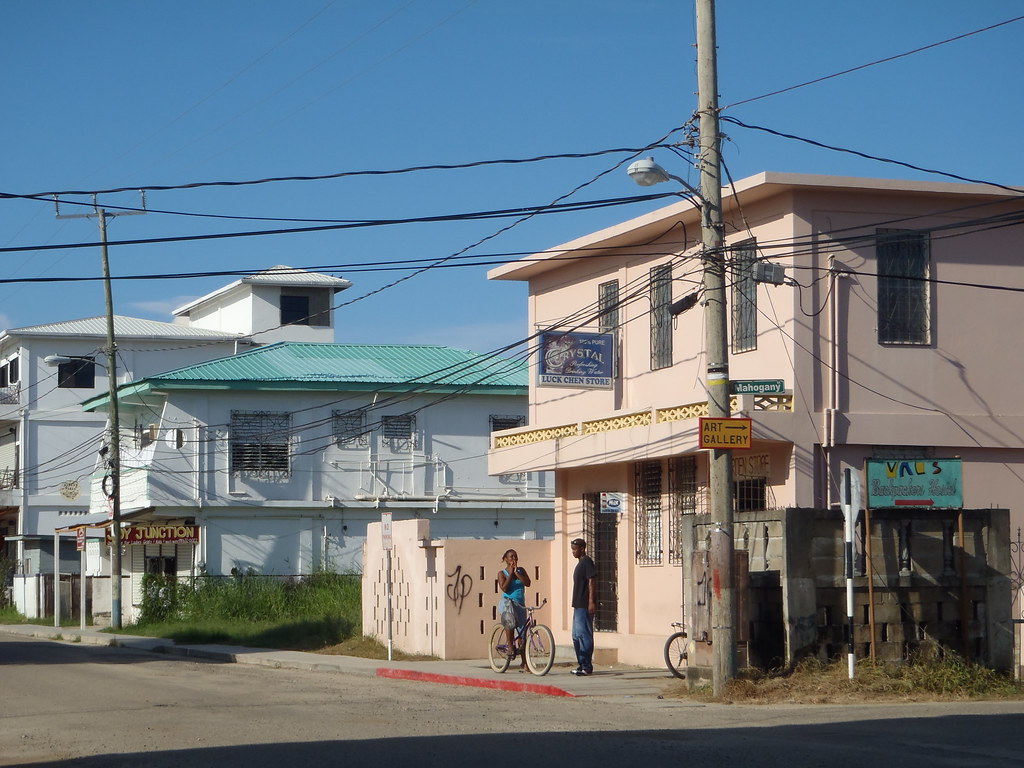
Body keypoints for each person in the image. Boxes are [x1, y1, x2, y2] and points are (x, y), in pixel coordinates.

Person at [497, 548, 532, 669]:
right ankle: (510, 647)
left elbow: (528, 583)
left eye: (515, 557)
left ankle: (524, 662)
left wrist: (517, 573)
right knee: (510, 620)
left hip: (520, 603)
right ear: (506, 559)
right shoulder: (502, 573)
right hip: (507, 602)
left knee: (522, 632)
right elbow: (504, 588)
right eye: (511, 557)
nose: (514, 559)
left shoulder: (521, 570)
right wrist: (511, 573)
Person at [569, 537, 597, 676]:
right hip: (577, 604)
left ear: (582, 549)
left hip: (584, 604)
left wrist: (591, 601)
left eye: (575, 549)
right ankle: (581, 664)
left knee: (584, 634)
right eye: (572, 549)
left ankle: (587, 666)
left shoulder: (587, 562)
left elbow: (592, 581)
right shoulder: (580, 563)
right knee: (575, 636)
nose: (573, 552)